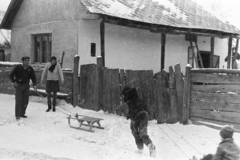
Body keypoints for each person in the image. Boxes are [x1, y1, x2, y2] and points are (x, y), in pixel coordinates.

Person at [121, 86, 156, 157]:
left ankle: (140, 148)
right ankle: (150, 145)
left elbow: (133, 108)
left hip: (137, 115)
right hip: (144, 114)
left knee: (135, 132)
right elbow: (143, 107)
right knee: (143, 133)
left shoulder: (129, 97)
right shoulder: (137, 97)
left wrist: (129, 115)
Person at [9, 56, 37, 120]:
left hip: (26, 85)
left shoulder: (30, 68)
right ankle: (17, 115)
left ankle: (22, 113)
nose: (27, 62)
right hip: (19, 85)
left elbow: (33, 77)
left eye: (28, 60)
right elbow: (11, 75)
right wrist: (14, 82)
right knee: (18, 100)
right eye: (26, 60)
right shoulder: (18, 67)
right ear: (23, 61)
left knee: (25, 101)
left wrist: (34, 84)